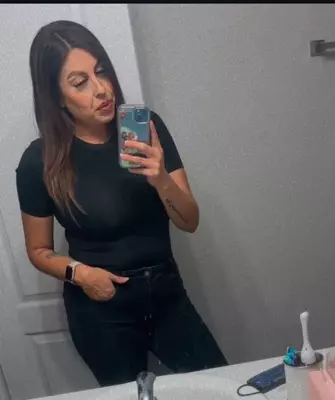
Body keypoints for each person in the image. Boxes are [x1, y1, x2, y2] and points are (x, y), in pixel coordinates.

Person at [16, 20, 227, 387]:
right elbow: (38, 251)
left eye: (101, 72)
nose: (102, 89)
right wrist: (82, 275)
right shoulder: (41, 161)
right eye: (80, 82)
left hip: (166, 294)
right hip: (101, 308)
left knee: (218, 385)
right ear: (57, 97)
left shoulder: (145, 129)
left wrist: (160, 178)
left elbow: (189, 221)